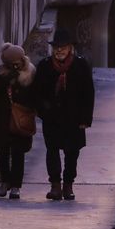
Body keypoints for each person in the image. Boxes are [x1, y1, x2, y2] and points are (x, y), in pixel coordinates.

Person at [34, 29, 95, 201]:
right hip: (52, 117)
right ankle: (55, 185)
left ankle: (68, 185)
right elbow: (38, 92)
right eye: (56, 48)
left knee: (72, 152)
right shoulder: (45, 66)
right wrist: (42, 111)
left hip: (74, 118)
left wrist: (85, 119)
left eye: (63, 48)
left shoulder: (81, 65)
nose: (59, 51)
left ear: (70, 49)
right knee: (52, 150)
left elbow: (88, 94)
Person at [0, 42, 39, 199]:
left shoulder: (30, 73)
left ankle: (16, 185)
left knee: (18, 153)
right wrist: (6, 78)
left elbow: (35, 94)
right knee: (2, 151)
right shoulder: (1, 72)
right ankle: (5, 181)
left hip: (21, 117)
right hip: (3, 118)